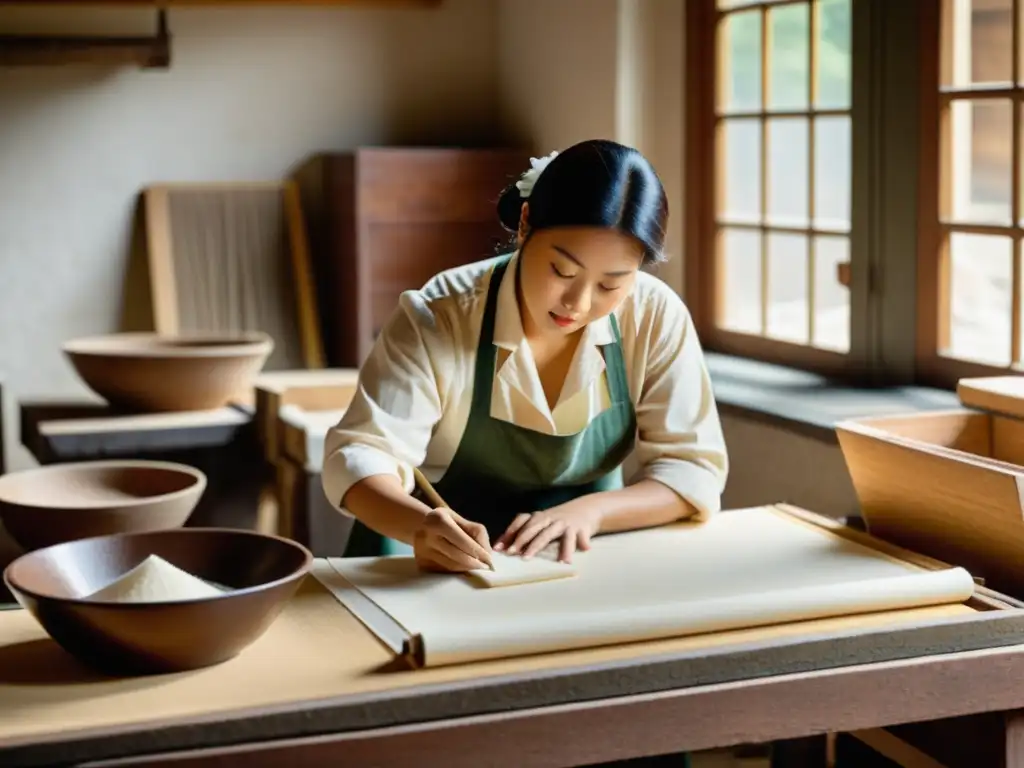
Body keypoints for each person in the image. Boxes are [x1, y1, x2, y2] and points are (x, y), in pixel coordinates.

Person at [322, 138, 729, 571]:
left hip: (573, 553)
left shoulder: (653, 316)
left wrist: (590, 512)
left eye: (611, 284)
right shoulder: (442, 314)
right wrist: (420, 525)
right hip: (425, 550)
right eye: (562, 271)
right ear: (525, 222)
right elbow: (363, 456)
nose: (578, 301)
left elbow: (692, 469)